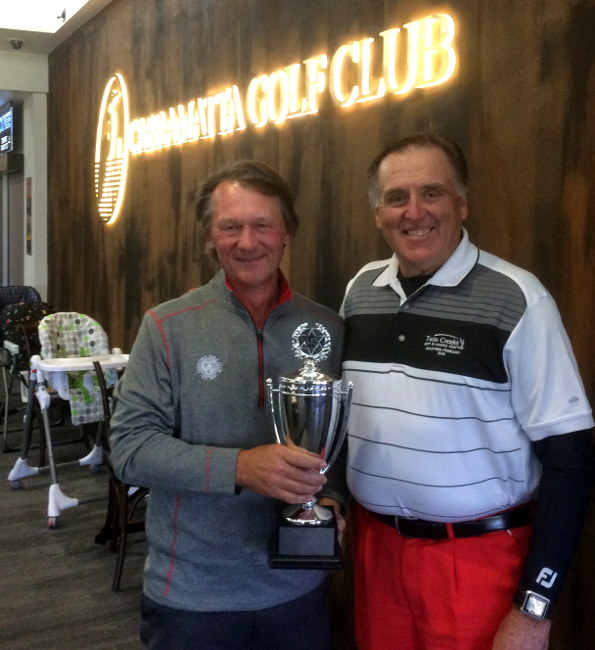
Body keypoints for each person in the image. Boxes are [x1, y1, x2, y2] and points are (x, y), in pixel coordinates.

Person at [341, 132, 595, 650]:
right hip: (377, 557)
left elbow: (571, 460)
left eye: (432, 193)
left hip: (479, 563)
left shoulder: (519, 299)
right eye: (396, 197)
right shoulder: (359, 292)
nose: (414, 212)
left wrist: (535, 609)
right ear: (377, 214)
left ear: (461, 203)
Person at [110, 160, 346, 650]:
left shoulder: (328, 328)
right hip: (193, 600)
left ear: (286, 234)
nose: (247, 242)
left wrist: (331, 502)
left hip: (299, 591)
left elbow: (343, 447)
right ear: (208, 237)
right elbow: (130, 449)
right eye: (230, 227)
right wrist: (239, 467)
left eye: (262, 225)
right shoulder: (167, 326)